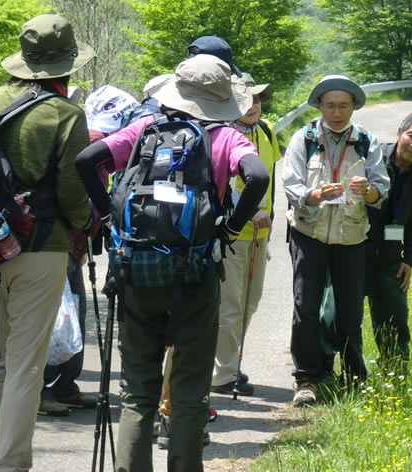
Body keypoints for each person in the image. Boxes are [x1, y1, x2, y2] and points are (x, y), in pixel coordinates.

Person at [75, 54, 269, 472]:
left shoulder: (145, 129)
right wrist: (231, 228)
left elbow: (87, 160)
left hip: (136, 269)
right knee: (189, 388)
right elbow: (257, 177)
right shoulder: (225, 138)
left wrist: (109, 217)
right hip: (196, 274)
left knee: (137, 392)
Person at [0, 14, 92, 472]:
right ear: (67, 63)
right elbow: (75, 195)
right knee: (25, 367)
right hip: (40, 248)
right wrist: (88, 225)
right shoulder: (65, 114)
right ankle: (12, 465)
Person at [282, 74, 389, 406]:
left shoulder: (366, 141)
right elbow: (291, 184)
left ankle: (354, 378)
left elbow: (381, 190)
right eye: (330, 105)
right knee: (306, 308)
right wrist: (313, 195)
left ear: (354, 106)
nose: (337, 112)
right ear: (319, 106)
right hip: (308, 233)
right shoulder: (305, 138)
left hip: (352, 237)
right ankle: (307, 379)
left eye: (344, 105)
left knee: (350, 311)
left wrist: (367, 190)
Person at [37, 86, 141, 414]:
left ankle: (65, 385)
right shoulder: (93, 143)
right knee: (59, 317)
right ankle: (45, 390)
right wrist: (92, 219)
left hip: (71, 244)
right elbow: (73, 196)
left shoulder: (90, 137)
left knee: (73, 311)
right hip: (59, 241)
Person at [211, 73, 279, 396]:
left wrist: (270, 214)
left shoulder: (267, 132)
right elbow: (224, 186)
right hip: (233, 232)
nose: (253, 105)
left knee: (251, 303)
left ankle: (231, 364)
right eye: (245, 100)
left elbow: (271, 179)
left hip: (260, 234)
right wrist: (249, 212)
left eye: (257, 99)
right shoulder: (224, 136)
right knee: (230, 305)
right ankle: (223, 373)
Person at [365, 111, 412, 376]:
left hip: (391, 257)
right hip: (355, 250)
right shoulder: (374, 157)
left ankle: (395, 379)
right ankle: (331, 377)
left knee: (395, 322)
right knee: (337, 318)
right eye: (411, 136)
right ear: (399, 133)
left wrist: (409, 260)